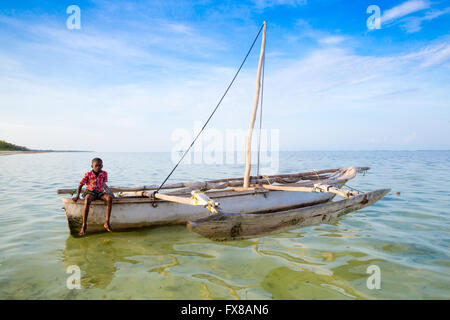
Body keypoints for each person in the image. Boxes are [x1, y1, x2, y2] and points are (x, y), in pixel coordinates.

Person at [72, 157, 113, 235]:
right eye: (96, 165)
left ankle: (107, 223)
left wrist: (109, 193)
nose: (98, 167)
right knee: (87, 199)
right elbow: (80, 185)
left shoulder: (104, 173)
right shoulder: (88, 174)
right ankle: (84, 225)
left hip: (100, 192)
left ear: (102, 166)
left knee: (109, 199)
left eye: (100, 165)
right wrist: (77, 196)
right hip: (90, 191)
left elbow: (103, 184)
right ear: (92, 166)